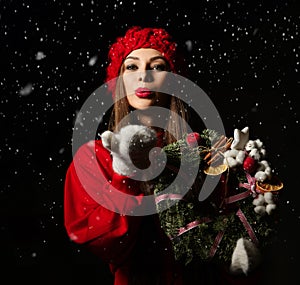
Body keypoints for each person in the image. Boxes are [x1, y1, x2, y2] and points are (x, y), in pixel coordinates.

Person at [64, 26, 262, 285]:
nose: (143, 76)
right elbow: (106, 241)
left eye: (157, 67)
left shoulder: (203, 151)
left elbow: (225, 235)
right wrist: (126, 171)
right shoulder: (96, 156)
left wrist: (247, 187)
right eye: (131, 67)